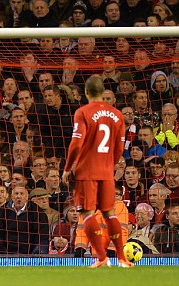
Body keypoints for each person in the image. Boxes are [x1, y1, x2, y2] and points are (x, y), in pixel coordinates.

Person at [62, 75, 131, 268]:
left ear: (86, 92)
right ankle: (122, 258)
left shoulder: (82, 112)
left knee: (88, 213)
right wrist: (111, 164)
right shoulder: (117, 115)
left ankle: (102, 257)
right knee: (110, 213)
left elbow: (76, 143)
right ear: (102, 92)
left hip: (87, 172)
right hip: (107, 171)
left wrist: (68, 168)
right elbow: (119, 147)